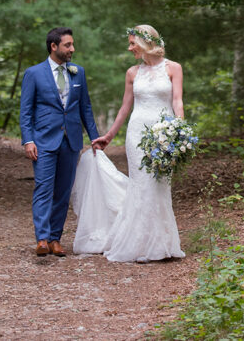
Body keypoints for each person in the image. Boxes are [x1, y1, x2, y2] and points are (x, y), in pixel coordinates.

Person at [71, 24, 185, 262]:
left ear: (145, 43)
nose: (130, 47)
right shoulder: (132, 73)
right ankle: (140, 245)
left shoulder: (173, 68)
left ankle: (162, 243)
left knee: (160, 186)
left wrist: (179, 131)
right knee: (142, 185)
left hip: (163, 136)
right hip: (136, 135)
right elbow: (125, 107)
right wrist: (109, 136)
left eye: (133, 43)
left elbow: (177, 102)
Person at [19, 27, 102, 257]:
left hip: (71, 140)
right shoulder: (33, 74)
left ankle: (56, 238)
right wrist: (28, 140)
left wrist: (94, 138)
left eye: (72, 45)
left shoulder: (78, 73)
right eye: (68, 45)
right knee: (44, 188)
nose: (72, 49)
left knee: (63, 191)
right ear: (53, 46)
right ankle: (42, 239)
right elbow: (26, 111)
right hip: (44, 140)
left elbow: (86, 107)